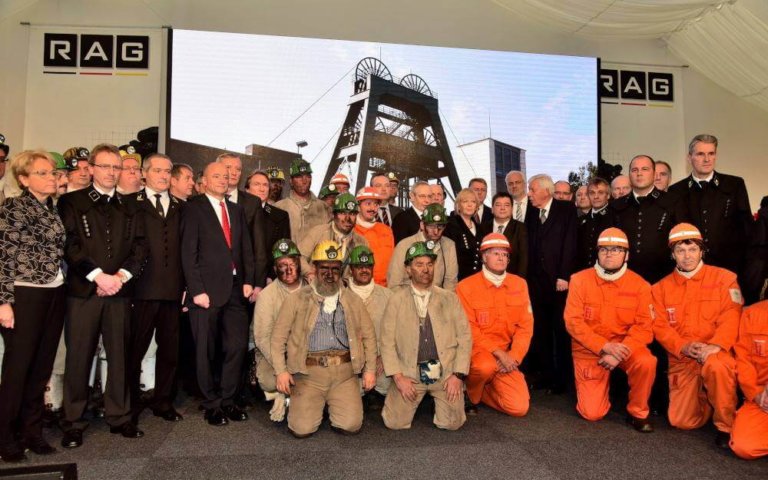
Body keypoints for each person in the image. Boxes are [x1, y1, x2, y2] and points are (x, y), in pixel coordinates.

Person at [58, 144, 147, 448]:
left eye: (116, 167)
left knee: (120, 356)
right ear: (91, 168)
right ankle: (73, 421)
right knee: (79, 357)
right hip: (83, 292)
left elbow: (139, 248)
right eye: (105, 166)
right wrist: (98, 276)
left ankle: (119, 416)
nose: (111, 172)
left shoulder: (131, 206)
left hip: (119, 293)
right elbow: (70, 245)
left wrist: (120, 277)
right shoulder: (72, 202)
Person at [271, 240, 378, 437]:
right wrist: (281, 372)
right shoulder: (296, 299)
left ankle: (332, 404)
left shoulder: (353, 300)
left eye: (335, 269)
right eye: (324, 269)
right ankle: (304, 403)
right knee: (301, 429)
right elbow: (278, 338)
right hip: (308, 375)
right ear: (314, 268)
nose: (330, 274)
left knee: (351, 425)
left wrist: (370, 370)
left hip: (344, 375)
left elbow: (370, 337)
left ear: (341, 271)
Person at [0, 150, 67, 462]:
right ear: (24, 179)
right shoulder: (13, 208)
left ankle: (32, 431)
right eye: (42, 173)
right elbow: (4, 257)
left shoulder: (53, 208)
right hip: (24, 295)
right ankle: (5, 436)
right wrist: (4, 302)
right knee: (18, 369)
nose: (51, 177)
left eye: (52, 172)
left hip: (54, 293)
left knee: (41, 368)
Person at [652, 223, 741, 448]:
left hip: (716, 352)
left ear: (702, 251)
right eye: (680, 250)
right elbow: (660, 326)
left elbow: (732, 315)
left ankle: (725, 426)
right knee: (682, 421)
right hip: (683, 357)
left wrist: (716, 345)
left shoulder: (725, 279)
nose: (687, 256)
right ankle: (709, 398)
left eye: (692, 249)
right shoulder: (659, 289)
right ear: (672, 254)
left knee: (717, 368)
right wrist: (682, 346)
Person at [181, 161, 255, 426]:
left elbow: (246, 248)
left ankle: (228, 399)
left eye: (226, 176)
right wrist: (196, 290)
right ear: (204, 180)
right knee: (206, 350)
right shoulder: (193, 208)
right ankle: (212, 404)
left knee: (236, 346)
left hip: (236, 289)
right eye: (217, 176)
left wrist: (248, 280)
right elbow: (188, 253)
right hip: (206, 292)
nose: (224, 180)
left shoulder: (236, 209)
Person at [564, 228, 656, 431]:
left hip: (626, 347)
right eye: (604, 249)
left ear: (626, 255)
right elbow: (573, 322)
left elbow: (645, 327)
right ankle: (605, 392)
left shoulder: (641, 285)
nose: (609, 254)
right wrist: (604, 347)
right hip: (589, 349)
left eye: (616, 249)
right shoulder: (579, 280)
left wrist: (618, 353)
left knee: (647, 362)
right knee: (591, 413)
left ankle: (638, 412)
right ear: (597, 253)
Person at [380, 241, 472, 430]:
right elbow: (387, 342)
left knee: (453, 424)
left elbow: (465, 338)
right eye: (419, 264)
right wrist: (398, 378)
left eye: (430, 264)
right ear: (408, 269)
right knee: (394, 423)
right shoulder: (396, 300)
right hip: (410, 373)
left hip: (445, 373)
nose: (426, 269)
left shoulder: (450, 298)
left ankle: (439, 402)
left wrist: (457, 375)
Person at [126, 154, 184, 424]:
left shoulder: (181, 207)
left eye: (167, 171)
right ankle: (130, 403)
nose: (163, 175)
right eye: (158, 170)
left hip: (173, 291)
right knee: (134, 350)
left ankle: (163, 401)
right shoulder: (129, 204)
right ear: (144, 173)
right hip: (141, 290)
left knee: (170, 351)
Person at [457, 233, 533, 417]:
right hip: (477, 353)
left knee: (519, 408)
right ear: (484, 257)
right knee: (485, 366)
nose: (501, 258)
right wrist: (498, 353)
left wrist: (514, 357)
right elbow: (469, 330)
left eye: (505, 254)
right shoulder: (465, 286)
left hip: (506, 356)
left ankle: (483, 391)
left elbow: (525, 327)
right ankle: (469, 393)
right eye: (496, 253)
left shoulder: (519, 284)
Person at [667, 134, 753, 289]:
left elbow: (747, 229)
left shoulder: (734, 185)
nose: (707, 159)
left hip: (730, 268)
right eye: (700, 154)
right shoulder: (676, 191)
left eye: (711, 153)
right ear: (690, 157)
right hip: (691, 270)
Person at [524, 174, 577, 393]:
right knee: (541, 330)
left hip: (559, 283)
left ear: (546, 191)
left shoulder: (566, 210)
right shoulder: (531, 212)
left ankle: (562, 380)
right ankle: (546, 375)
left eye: (532, 189)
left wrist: (564, 275)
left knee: (560, 331)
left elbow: (570, 243)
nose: (529, 194)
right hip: (536, 283)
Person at [252, 239, 306, 422]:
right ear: (275, 269)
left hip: (304, 351)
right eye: (282, 265)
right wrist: (282, 367)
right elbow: (262, 338)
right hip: (275, 352)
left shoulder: (312, 290)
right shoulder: (267, 296)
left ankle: (288, 395)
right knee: (269, 380)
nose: (288, 270)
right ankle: (286, 394)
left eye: (293, 264)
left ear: (300, 264)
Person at [611, 155, 677, 284]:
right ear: (629, 175)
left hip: (664, 278)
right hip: (624, 279)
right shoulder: (616, 206)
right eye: (634, 170)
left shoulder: (673, 202)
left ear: (654, 174)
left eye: (645, 169)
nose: (639, 173)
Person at [346, 245, 392, 409]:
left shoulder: (388, 296)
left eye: (368, 266)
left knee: (387, 385)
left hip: (380, 360)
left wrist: (384, 359)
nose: (364, 270)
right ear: (351, 269)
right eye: (359, 266)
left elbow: (397, 334)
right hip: (351, 362)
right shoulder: (340, 296)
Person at [388, 204, 459, 292]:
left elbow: (451, 282)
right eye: (431, 226)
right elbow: (394, 284)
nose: (436, 231)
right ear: (422, 225)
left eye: (440, 227)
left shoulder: (449, 245)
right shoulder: (404, 245)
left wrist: (443, 299)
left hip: (438, 297)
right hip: (408, 297)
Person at [729, 300, 768, 460]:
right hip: (761, 398)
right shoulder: (752, 313)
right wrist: (756, 394)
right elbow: (743, 360)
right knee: (744, 446)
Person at [298, 193, 368, 280]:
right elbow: (299, 256)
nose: (347, 218)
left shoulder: (361, 242)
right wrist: (309, 273)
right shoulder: (318, 232)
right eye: (342, 213)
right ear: (333, 215)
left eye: (352, 214)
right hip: (316, 284)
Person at [245, 170, 291, 282]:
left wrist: (271, 276)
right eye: (257, 184)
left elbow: (283, 250)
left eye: (265, 185)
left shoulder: (280, 216)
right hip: (239, 278)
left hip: (268, 280)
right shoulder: (235, 211)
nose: (262, 189)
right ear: (247, 189)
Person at [275, 158, 328, 243]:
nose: (304, 181)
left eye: (308, 176)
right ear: (291, 181)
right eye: (299, 176)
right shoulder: (279, 207)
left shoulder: (324, 208)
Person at [478, 192, 528, 278]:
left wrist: (519, 280)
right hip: (485, 278)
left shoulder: (521, 228)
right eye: (498, 205)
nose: (502, 208)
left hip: (511, 278)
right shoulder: (482, 228)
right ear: (492, 209)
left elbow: (524, 259)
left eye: (507, 205)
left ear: (512, 209)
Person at [353, 187, 394, 286]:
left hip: (386, 287)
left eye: (376, 204)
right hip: (361, 287)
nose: (373, 208)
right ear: (358, 206)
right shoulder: (351, 230)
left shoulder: (386, 230)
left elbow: (393, 261)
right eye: (368, 204)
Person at [444, 188, 482, 281]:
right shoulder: (450, 226)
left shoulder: (479, 227)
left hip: (478, 279)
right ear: (458, 205)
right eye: (465, 201)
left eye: (473, 202)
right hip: (458, 279)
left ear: (476, 206)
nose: (469, 205)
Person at [576, 177, 612, 270]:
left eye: (600, 192)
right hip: (583, 272)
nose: (596, 197)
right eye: (592, 193)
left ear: (608, 195)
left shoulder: (615, 219)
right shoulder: (581, 221)